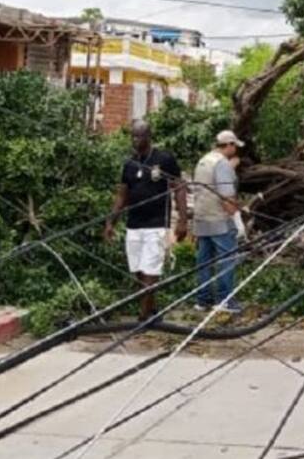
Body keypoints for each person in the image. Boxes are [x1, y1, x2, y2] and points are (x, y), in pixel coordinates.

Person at [103, 120, 187, 320]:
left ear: (148, 136)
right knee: (138, 272)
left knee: (150, 271)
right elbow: (122, 196)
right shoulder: (130, 164)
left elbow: (179, 188)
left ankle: (143, 318)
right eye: (132, 136)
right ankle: (151, 309)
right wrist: (110, 222)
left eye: (139, 136)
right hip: (134, 225)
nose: (135, 140)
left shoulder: (164, 159)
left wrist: (183, 220)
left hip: (156, 225)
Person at [192, 130, 244, 313]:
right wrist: (237, 219)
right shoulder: (222, 165)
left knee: (204, 262)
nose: (236, 149)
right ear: (228, 145)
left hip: (201, 219)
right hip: (219, 220)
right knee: (227, 259)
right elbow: (226, 196)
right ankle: (225, 300)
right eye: (234, 146)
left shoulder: (204, 160)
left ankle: (203, 300)